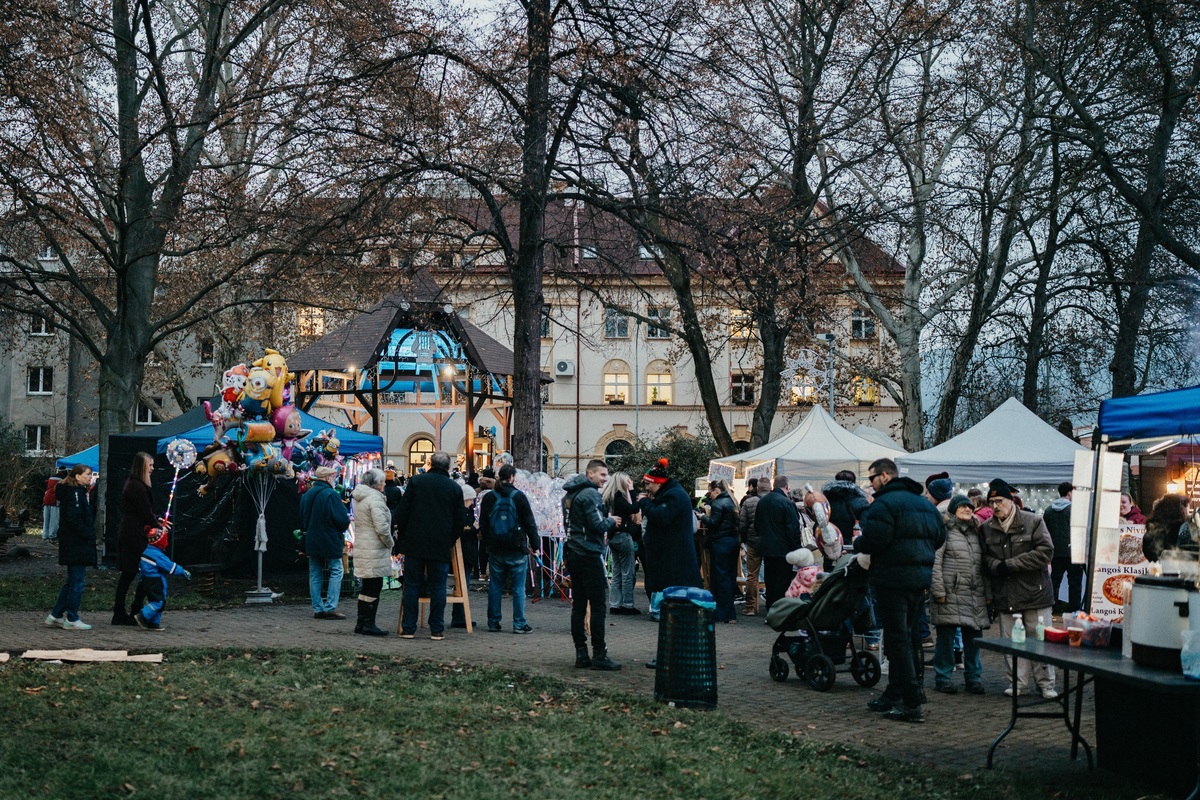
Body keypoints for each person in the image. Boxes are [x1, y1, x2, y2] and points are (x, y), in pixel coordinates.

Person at [855, 458, 946, 723]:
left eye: (872, 478)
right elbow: (940, 537)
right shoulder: (924, 504)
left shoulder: (884, 504)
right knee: (909, 637)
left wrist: (859, 543)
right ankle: (895, 693)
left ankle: (910, 702)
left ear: (885, 476)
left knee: (897, 640)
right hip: (919, 579)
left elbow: (875, 539)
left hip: (892, 578)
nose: (871, 484)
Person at [981, 478, 1057, 699]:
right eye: (991, 502)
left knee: (1039, 640)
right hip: (1006, 594)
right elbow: (984, 558)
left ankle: (1046, 684)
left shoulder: (1033, 521)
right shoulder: (986, 528)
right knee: (1013, 642)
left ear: (1011, 500)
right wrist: (996, 566)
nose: (995, 506)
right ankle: (1017, 683)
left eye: (999, 501)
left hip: (1035, 592)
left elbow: (1045, 551)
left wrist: (1010, 565)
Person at [394, 450, 467, 640]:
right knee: (438, 586)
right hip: (440, 543)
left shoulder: (416, 482)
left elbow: (403, 511)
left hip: (415, 541)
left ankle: (408, 627)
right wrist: (450, 539)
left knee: (411, 585)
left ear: (430, 464)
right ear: (448, 467)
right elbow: (460, 519)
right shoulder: (453, 488)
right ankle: (436, 629)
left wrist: (403, 537)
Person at [563, 459, 621, 669]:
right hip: (588, 554)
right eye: (602, 475)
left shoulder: (569, 495)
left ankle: (581, 653)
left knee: (578, 605)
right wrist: (611, 520)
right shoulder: (590, 494)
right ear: (590, 474)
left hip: (573, 552)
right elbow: (597, 524)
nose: (605, 479)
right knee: (597, 605)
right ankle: (599, 655)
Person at [931, 495, 989, 695]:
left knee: (973, 639)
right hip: (950, 593)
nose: (967, 509)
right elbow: (935, 561)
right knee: (946, 639)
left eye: (969, 506)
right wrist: (938, 590)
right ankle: (943, 677)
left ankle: (974, 677)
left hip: (974, 593)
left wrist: (987, 593)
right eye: (962, 506)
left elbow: (983, 566)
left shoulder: (976, 532)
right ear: (953, 510)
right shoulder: (944, 531)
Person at [638, 458, 704, 620]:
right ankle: (664, 611)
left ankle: (665, 612)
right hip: (670, 553)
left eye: (648, 484)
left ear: (657, 483)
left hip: (672, 555)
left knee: (667, 583)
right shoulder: (671, 493)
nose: (646, 488)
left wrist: (645, 503)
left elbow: (661, 516)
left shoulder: (672, 495)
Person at [480, 463, 541, 633]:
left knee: (495, 586)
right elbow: (530, 523)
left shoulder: (489, 497)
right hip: (516, 547)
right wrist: (536, 546)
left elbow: (483, 523)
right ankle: (519, 624)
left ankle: (493, 622)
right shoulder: (519, 496)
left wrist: (488, 543)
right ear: (512, 477)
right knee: (518, 588)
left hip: (496, 548)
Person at [113, 452, 168, 626]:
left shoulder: (135, 484)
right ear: (142, 466)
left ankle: (125, 611)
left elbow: (143, 511)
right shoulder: (136, 486)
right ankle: (132, 611)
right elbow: (144, 511)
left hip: (135, 531)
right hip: (134, 534)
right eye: (150, 465)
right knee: (140, 572)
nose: (152, 468)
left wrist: (157, 520)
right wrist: (158, 525)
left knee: (131, 574)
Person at [46, 465, 96, 630]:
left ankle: (56, 614)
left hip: (72, 543)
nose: (90, 477)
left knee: (72, 581)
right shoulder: (75, 493)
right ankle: (72, 618)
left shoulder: (72, 491)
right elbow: (74, 518)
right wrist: (87, 534)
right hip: (77, 544)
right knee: (77, 582)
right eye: (88, 474)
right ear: (78, 476)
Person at [300, 465, 352, 621]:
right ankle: (330, 607)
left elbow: (302, 516)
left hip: (311, 538)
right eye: (333, 477)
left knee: (315, 573)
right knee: (336, 570)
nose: (334, 479)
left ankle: (317, 608)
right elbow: (342, 519)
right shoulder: (331, 494)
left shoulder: (307, 494)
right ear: (327, 478)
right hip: (329, 538)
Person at [350, 468, 394, 636]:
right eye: (382, 481)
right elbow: (381, 527)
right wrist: (390, 543)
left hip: (363, 544)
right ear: (376, 484)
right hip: (375, 547)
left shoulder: (359, 497)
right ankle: (369, 624)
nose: (384, 484)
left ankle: (361, 622)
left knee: (366, 586)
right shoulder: (375, 498)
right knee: (375, 586)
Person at [754, 475, 803, 613]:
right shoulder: (787, 503)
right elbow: (793, 529)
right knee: (782, 582)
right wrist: (797, 548)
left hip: (766, 548)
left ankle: (770, 609)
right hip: (783, 549)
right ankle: (780, 611)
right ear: (787, 486)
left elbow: (757, 525)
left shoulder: (762, 502)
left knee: (770, 581)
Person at [133, 526, 191, 630]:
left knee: (154, 600)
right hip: (156, 581)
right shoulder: (157, 555)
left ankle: (153, 623)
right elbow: (170, 567)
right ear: (161, 543)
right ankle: (143, 616)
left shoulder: (147, 551)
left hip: (146, 580)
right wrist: (183, 571)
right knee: (159, 602)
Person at [700, 479, 740, 623]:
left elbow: (713, 523)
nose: (709, 494)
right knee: (730, 577)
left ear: (716, 490)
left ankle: (722, 613)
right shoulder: (733, 501)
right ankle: (730, 613)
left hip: (720, 542)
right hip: (733, 541)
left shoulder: (718, 503)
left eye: (710, 491)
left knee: (719, 578)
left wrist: (703, 517)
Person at [603, 471, 641, 615]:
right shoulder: (619, 498)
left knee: (616, 571)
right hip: (624, 537)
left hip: (613, 537)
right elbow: (634, 508)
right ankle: (627, 604)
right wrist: (631, 490)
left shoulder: (608, 498)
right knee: (627, 572)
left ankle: (615, 604)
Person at [1043, 481, 1082, 612]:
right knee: (1074, 581)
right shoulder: (1074, 509)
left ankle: (1051, 606)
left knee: (1054, 580)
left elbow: (1045, 531)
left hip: (1055, 551)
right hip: (1073, 551)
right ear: (1070, 493)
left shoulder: (1048, 510)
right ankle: (1074, 609)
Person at [823, 470, 869, 548]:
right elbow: (865, 525)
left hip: (832, 545)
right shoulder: (862, 502)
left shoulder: (826, 500)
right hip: (853, 544)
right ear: (854, 482)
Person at [738, 478, 763, 616]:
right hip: (769, 541)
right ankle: (772, 604)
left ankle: (751, 607)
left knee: (752, 575)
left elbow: (742, 524)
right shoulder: (770, 500)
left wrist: (743, 540)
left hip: (752, 542)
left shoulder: (747, 502)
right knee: (771, 574)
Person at [1143, 493, 1191, 562]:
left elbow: (1148, 551)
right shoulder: (1183, 529)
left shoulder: (1153, 529)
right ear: (1180, 509)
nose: (1187, 511)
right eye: (1185, 506)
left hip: (1157, 566)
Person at [41, 467, 66, 541]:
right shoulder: (63, 479)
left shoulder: (51, 477)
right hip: (55, 500)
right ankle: (52, 535)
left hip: (46, 499)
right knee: (54, 520)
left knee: (46, 519)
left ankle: (45, 535)